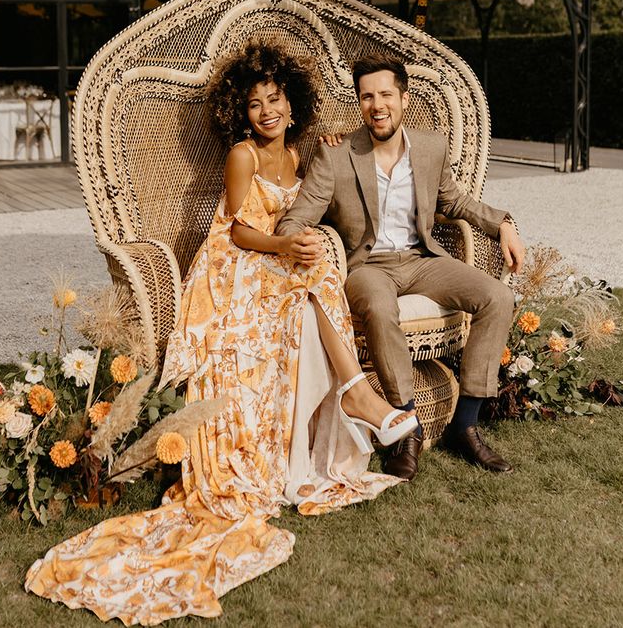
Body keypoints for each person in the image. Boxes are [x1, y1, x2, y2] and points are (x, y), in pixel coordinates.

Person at [24, 41, 417, 624]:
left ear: (293, 102)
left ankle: (354, 393)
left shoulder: (305, 157)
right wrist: (289, 244)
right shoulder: (243, 157)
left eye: (276, 100)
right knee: (310, 269)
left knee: (323, 260)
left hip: (277, 260)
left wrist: (313, 213)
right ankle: (357, 392)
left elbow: (314, 209)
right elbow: (236, 233)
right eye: (255, 104)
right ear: (242, 111)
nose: (267, 112)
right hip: (233, 269)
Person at [277, 52, 526, 481]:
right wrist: (297, 237)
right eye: (367, 97)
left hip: (421, 259)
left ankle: (465, 425)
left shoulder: (430, 147)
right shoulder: (336, 156)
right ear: (359, 102)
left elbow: (454, 201)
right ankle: (404, 427)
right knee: (377, 303)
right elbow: (296, 217)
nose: (378, 105)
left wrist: (502, 222)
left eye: (386, 95)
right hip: (367, 266)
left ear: (403, 98)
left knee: (497, 297)